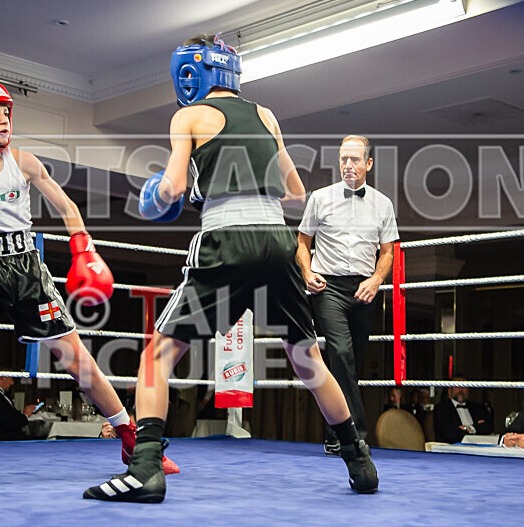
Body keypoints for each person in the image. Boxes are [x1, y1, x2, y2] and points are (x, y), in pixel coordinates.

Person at [83, 34, 378, 503]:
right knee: (307, 359)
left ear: (189, 74)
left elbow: (173, 189)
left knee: (158, 355)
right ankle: (359, 461)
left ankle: (144, 469)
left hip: (226, 239)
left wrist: (156, 192)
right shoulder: (266, 114)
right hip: (278, 241)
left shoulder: (188, 116)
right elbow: (296, 192)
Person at [0, 79, 177, 482]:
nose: (5, 118)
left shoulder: (22, 161)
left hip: (26, 267)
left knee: (78, 361)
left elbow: (66, 204)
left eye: (7, 111)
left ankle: (134, 443)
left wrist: (83, 248)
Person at [296, 134, 399, 455]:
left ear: (368, 163)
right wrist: (308, 272)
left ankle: (334, 433)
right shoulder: (320, 198)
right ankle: (355, 433)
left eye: (354, 159)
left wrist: (377, 279)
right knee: (339, 354)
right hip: (328, 288)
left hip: (365, 289)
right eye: (343, 159)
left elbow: (388, 252)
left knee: (353, 362)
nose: (348, 165)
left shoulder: (383, 204)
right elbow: (302, 243)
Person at [0, 367, 35, 441]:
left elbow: (7, 414)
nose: (12, 383)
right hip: (3, 439)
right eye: (11, 379)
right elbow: (9, 422)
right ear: (3, 377)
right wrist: (26, 415)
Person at [434, 373, 493, 444]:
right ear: (450, 390)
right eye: (457, 386)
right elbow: (449, 434)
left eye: (464, 386)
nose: (461, 390)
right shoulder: (442, 408)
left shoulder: (478, 408)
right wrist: (475, 428)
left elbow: (488, 428)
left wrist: (468, 429)